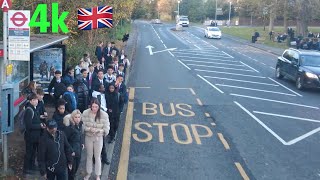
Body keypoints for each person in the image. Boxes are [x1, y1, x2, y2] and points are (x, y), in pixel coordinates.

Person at [82, 98, 110, 180]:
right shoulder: (85, 113)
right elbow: (82, 126)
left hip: (98, 138)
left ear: (99, 106)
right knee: (89, 156)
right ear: (90, 106)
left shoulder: (104, 115)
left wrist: (99, 130)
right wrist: (89, 129)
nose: (94, 109)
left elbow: (107, 128)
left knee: (97, 157)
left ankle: (98, 175)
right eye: (93, 107)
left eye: (96, 107)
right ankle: (88, 173)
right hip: (89, 137)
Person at [23, 93, 46, 175]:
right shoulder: (29, 110)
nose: (37, 101)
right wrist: (39, 126)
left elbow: (34, 119)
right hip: (30, 136)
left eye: (36, 99)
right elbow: (29, 125)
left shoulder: (33, 108)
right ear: (31, 101)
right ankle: (26, 169)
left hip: (35, 136)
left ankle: (32, 166)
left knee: (33, 152)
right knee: (29, 152)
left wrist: (40, 118)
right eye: (35, 100)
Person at [63, 110, 84, 180]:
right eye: (76, 117)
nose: (77, 119)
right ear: (72, 118)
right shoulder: (69, 128)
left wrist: (82, 143)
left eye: (79, 117)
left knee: (75, 170)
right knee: (71, 172)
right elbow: (66, 141)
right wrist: (71, 151)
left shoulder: (80, 125)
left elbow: (80, 136)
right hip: (72, 153)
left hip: (78, 151)